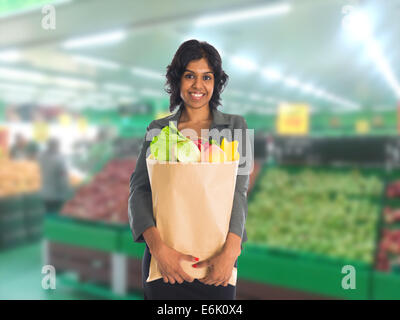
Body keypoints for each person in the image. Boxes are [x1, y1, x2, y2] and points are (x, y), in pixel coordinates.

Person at [128, 40, 251, 300]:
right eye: (189, 76)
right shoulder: (157, 129)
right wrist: (159, 250)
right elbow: (139, 190)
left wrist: (230, 253)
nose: (198, 85)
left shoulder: (236, 127)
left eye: (207, 77)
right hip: (165, 265)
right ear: (177, 80)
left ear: (216, 82)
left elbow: (239, 193)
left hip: (217, 264)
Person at [38, 138, 71, 214]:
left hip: (44, 193)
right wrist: (67, 190)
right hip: (56, 194)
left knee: (46, 214)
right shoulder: (60, 158)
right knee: (56, 214)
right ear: (57, 146)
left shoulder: (41, 156)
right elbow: (63, 177)